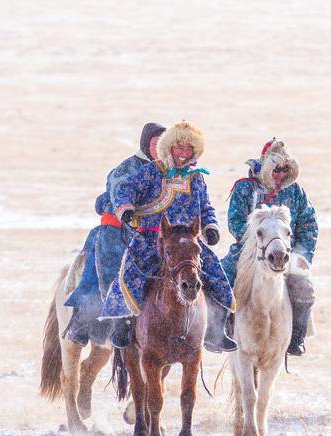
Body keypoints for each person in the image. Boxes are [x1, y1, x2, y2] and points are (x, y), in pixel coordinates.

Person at [98, 120, 237, 354]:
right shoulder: (153, 170)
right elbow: (125, 189)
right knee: (131, 273)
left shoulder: (196, 177)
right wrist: (126, 207)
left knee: (215, 273)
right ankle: (122, 324)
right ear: (169, 148)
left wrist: (210, 227)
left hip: (188, 241)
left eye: (188, 150)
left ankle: (215, 329)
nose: (183, 154)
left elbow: (205, 207)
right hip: (153, 238)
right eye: (179, 148)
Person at [62, 123, 166, 346]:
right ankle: (90, 317)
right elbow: (120, 191)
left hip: (150, 233)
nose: (160, 149)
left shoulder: (168, 171)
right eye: (156, 144)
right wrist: (126, 208)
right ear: (146, 144)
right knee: (109, 266)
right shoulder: (127, 168)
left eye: (164, 144)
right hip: (118, 229)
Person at [222, 139, 319, 356]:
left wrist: (302, 254)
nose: (279, 174)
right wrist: (255, 244)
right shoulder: (245, 188)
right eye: (276, 169)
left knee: (304, 287)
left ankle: (296, 337)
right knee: (221, 276)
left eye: (285, 169)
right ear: (266, 167)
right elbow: (235, 221)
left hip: (286, 252)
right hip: (249, 249)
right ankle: (219, 331)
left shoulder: (295, 192)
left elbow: (309, 223)